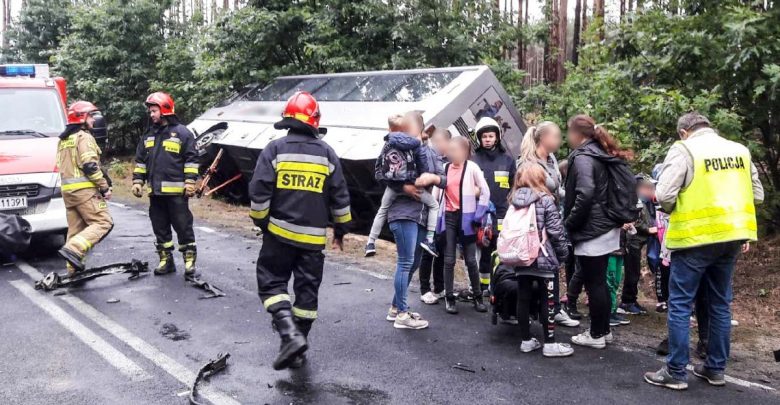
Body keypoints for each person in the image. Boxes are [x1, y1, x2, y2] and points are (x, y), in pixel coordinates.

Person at [644, 112, 763, 390]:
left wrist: (673, 210)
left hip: (695, 239)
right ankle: (714, 368)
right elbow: (757, 195)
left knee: (681, 304)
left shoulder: (684, 149)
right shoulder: (740, 151)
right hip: (732, 236)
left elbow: (663, 195)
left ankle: (675, 371)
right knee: (720, 304)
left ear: (684, 131)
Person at [248, 91, 352, 370]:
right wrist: (340, 231)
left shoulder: (275, 149)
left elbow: (259, 192)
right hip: (313, 242)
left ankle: (289, 335)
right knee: (306, 295)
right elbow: (341, 197)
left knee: (271, 281)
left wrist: (261, 221)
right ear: (314, 122)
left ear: (288, 120)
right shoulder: (328, 153)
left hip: (279, 235)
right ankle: (297, 346)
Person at [564, 115, 632, 349]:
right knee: (599, 281)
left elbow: (585, 194)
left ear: (576, 134)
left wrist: (570, 223)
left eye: (568, 132)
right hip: (606, 226)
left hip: (591, 229)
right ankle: (603, 330)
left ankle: (596, 335)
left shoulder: (584, 157)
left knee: (594, 283)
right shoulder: (600, 153)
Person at [517, 122, 579, 328]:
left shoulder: (551, 160)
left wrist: (572, 197)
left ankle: (554, 309)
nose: (560, 141)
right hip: (535, 223)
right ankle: (542, 317)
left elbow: (557, 189)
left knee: (551, 267)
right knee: (535, 270)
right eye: (556, 136)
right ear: (543, 138)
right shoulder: (528, 164)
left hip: (553, 217)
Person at [132, 92, 200, 278]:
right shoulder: (148, 135)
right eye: (150, 111)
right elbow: (140, 161)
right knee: (160, 228)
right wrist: (138, 181)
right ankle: (166, 261)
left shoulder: (182, 133)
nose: (151, 115)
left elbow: (192, 160)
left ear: (165, 110)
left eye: (154, 111)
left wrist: (190, 182)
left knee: (183, 227)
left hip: (178, 194)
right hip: (156, 193)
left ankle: (189, 262)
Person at [510, 163, 574, 357]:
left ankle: (526, 340)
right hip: (544, 258)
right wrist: (563, 255)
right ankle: (550, 343)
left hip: (521, 258)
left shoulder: (514, 200)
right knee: (548, 301)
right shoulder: (546, 200)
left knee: (523, 298)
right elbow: (556, 231)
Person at [365, 113, 440, 258]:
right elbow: (423, 165)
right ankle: (430, 238)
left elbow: (379, 169)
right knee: (434, 205)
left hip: (393, 185)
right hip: (413, 184)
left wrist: (398, 185)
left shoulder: (388, 143)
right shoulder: (415, 143)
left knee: (382, 210)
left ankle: (370, 242)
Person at [56, 101, 113, 274]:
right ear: (82, 118)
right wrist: (104, 188)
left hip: (69, 193)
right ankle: (73, 249)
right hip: (85, 192)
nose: (94, 121)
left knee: (76, 229)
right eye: (90, 116)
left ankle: (72, 269)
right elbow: (90, 166)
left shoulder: (64, 140)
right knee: (103, 222)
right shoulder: (84, 137)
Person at [436, 136, 491, 314]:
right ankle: (449, 298)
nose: (450, 153)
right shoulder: (444, 168)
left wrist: (478, 215)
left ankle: (477, 296)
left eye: (454, 150)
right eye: (449, 149)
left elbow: (485, 191)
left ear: (464, 152)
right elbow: (436, 194)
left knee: (470, 260)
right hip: (449, 217)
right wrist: (435, 217)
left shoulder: (472, 168)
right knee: (449, 259)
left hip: (468, 218)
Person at [471, 117, 517, 295]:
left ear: (497, 137)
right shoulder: (474, 161)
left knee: (500, 249)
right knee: (483, 248)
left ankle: (498, 284)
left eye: (491, 136)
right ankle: (482, 286)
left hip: (502, 212)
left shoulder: (507, 160)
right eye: (484, 136)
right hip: (481, 214)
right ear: (479, 139)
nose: (488, 139)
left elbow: (515, 186)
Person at [419, 128, 452, 304]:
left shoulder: (452, 162)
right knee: (427, 251)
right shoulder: (429, 159)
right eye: (435, 141)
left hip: (447, 215)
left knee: (441, 251)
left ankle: (439, 287)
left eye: (440, 141)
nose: (437, 145)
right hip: (430, 213)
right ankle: (424, 289)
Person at [619, 175, 656, 315]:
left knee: (635, 272)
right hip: (632, 241)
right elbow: (634, 220)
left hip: (638, 242)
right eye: (648, 188)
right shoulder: (634, 200)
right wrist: (648, 229)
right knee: (631, 272)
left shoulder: (643, 202)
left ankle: (632, 299)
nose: (651, 191)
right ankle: (627, 302)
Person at [607, 227, 631, 327]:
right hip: (609, 249)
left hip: (620, 248)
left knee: (616, 281)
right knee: (609, 282)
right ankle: (607, 312)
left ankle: (613, 310)